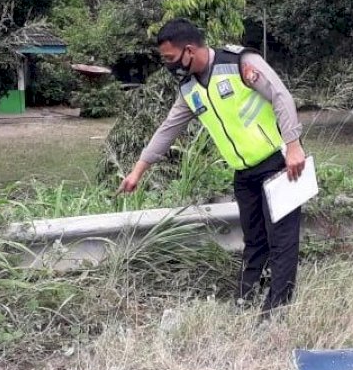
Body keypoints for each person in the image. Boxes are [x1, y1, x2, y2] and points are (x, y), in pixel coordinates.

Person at [118, 18, 307, 316]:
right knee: (255, 240)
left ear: (189, 50)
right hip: (244, 175)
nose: (168, 66)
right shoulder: (190, 88)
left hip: (278, 164)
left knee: (282, 241)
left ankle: (276, 311)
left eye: (170, 58)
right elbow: (168, 129)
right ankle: (247, 300)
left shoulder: (241, 63)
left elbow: (281, 95)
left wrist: (294, 145)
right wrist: (138, 170)